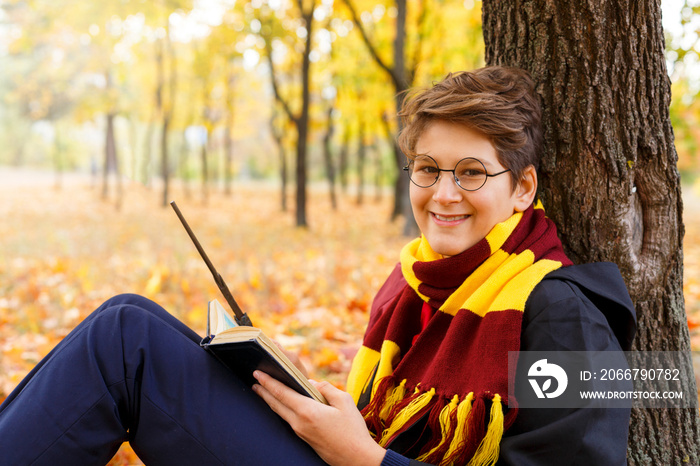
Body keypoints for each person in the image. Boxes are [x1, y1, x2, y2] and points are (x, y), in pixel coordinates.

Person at [0, 66, 635, 465]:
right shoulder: (416, 282)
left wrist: (365, 457)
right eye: (428, 169)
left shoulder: (567, 313)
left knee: (124, 341)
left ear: (522, 188)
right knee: (127, 315)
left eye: (472, 173)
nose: (444, 194)